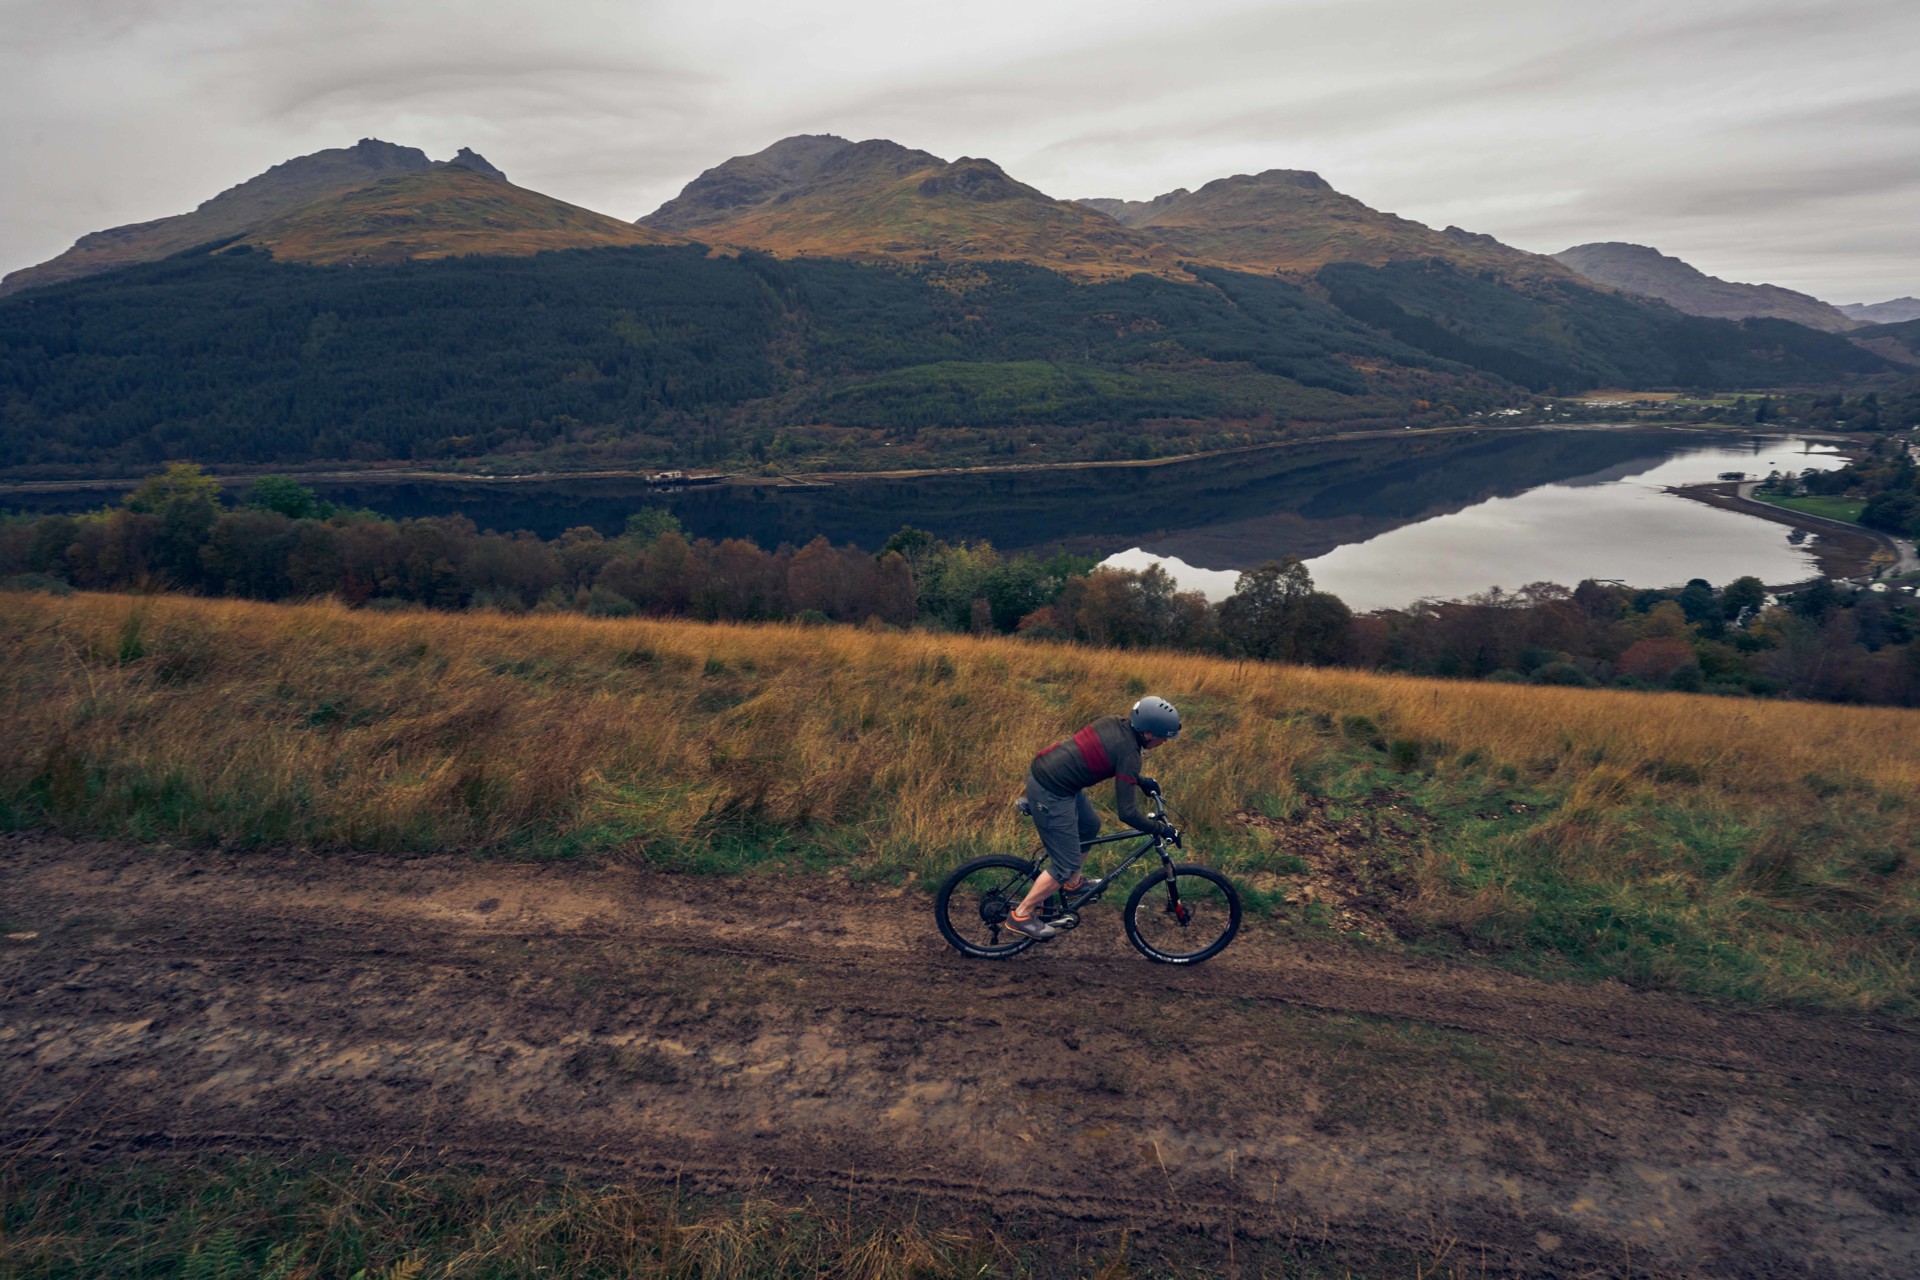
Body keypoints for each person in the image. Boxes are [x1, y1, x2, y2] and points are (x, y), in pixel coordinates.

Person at [1005, 695, 1181, 940]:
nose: (1165, 742)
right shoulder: (1130, 755)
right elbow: (1127, 813)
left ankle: (1072, 885)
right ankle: (1021, 915)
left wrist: (1141, 781)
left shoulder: (1114, 724)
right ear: (1149, 734)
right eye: (1164, 736)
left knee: (1089, 825)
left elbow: (1110, 760)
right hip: (1050, 791)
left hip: (1054, 777)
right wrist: (1160, 830)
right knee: (1064, 864)